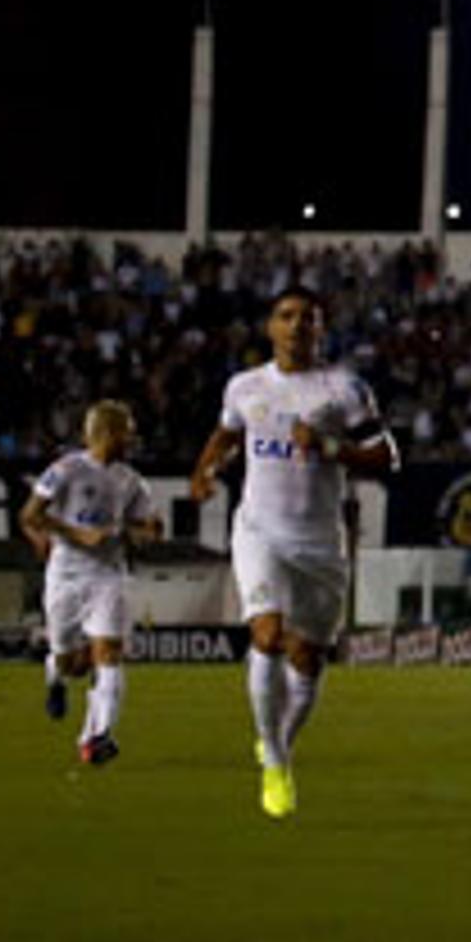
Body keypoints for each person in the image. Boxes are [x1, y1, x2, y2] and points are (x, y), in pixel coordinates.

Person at [188, 288, 398, 819]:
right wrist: (205, 471)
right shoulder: (246, 386)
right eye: (287, 316)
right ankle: (276, 763)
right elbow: (225, 436)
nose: (297, 325)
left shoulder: (343, 388)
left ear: (320, 330)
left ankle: (281, 740)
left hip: (321, 543)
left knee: (307, 658)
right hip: (260, 530)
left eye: (308, 318)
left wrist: (329, 447)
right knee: (266, 632)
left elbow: (386, 456)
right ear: (270, 327)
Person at [20, 399, 161, 765]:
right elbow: (30, 514)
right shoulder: (66, 470)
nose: (132, 439)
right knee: (74, 663)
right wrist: (76, 534)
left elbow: (148, 527)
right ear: (107, 433)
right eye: (127, 431)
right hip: (66, 574)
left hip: (108, 575)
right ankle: (56, 672)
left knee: (109, 654)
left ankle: (96, 737)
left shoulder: (131, 481)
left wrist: (145, 531)